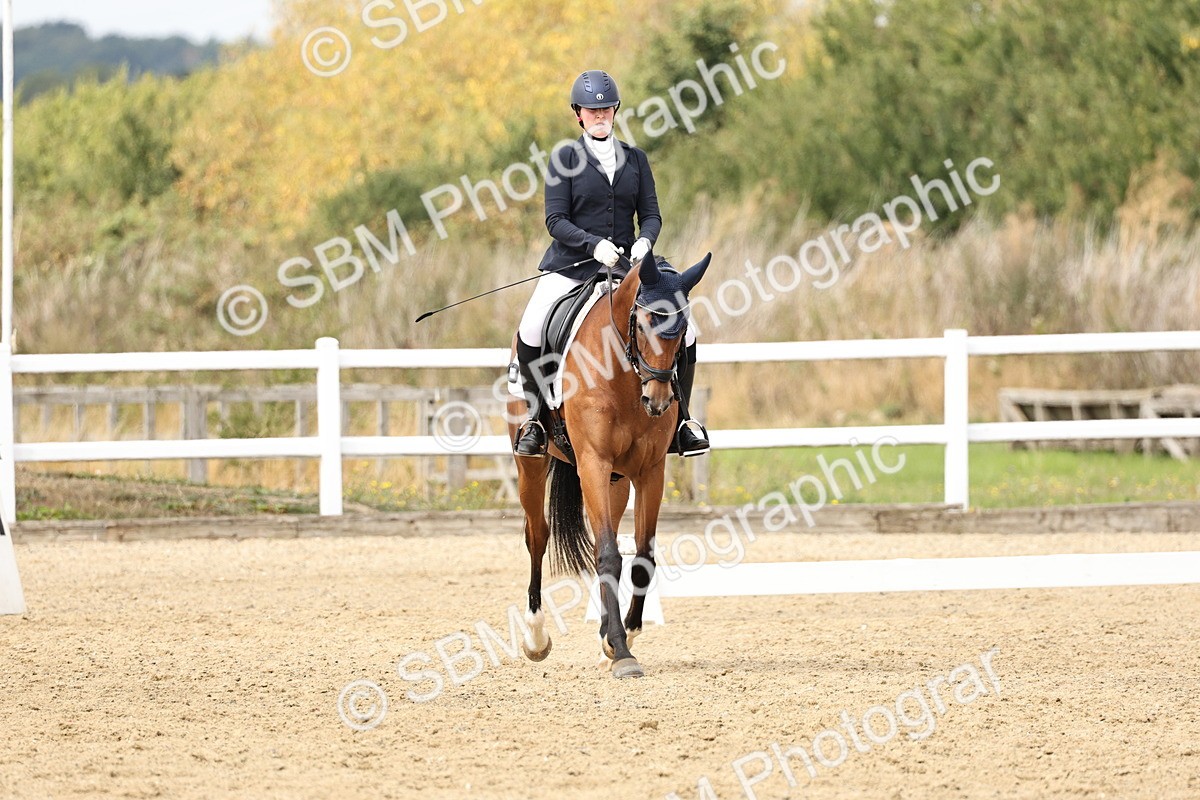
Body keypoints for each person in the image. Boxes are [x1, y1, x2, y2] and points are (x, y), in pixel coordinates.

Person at [512, 69, 709, 458]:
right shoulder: (564, 158)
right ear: (579, 114)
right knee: (532, 326)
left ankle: (682, 422)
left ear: (615, 111)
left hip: (627, 265)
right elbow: (555, 220)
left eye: (606, 109)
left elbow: (651, 214)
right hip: (572, 264)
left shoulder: (636, 159)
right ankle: (535, 421)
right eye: (592, 110)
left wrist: (644, 240)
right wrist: (592, 244)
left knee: (688, 330)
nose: (599, 115)